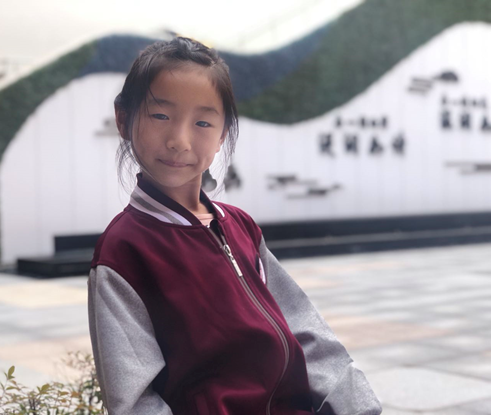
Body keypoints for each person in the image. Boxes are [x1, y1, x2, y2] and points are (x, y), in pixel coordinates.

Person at [87, 36, 382, 415]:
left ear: (222, 134)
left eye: (203, 122)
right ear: (123, 119)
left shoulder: (241, 227)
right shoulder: (123, 252)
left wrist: (357, 406)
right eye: (160, 116)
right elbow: (136, 402)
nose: (179, 140)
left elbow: (307, 332)